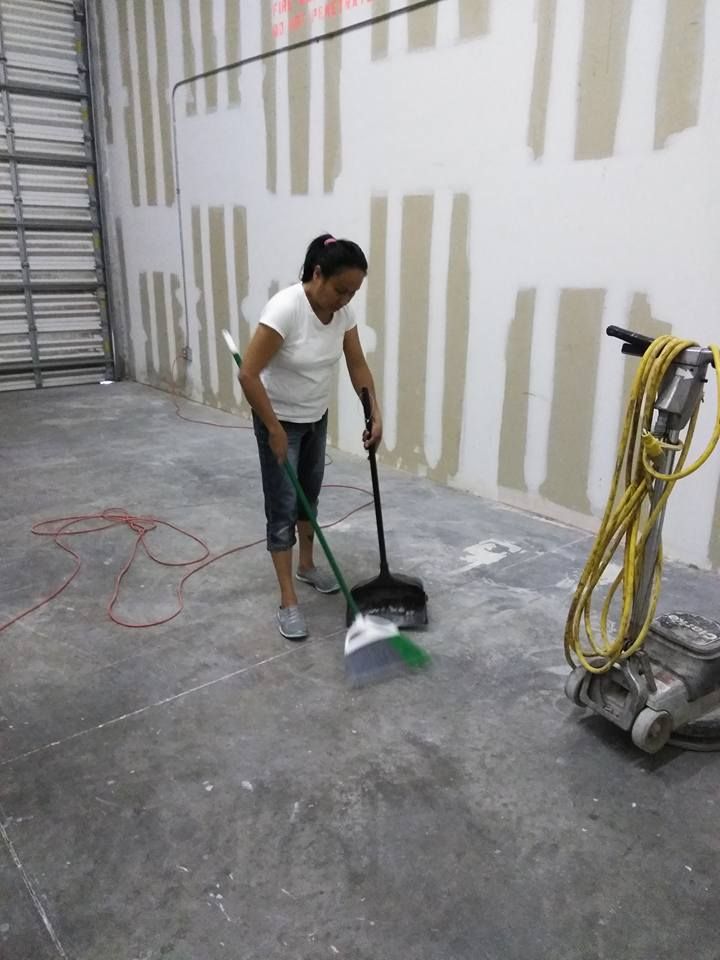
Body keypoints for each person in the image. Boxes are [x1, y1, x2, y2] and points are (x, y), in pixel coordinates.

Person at [238, 233, 382, 641]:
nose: (345, 300)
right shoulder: (285, 310)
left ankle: (306, 566)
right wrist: (273, 430)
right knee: (282, 505)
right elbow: (248, 374)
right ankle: (288, 601)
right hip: (279, 419)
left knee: (310, 494)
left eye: (353, 292)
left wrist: (375, 413)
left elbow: (358, 365)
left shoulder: (343, 315)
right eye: (340, 289)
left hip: (315, 416)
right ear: (317, 274)